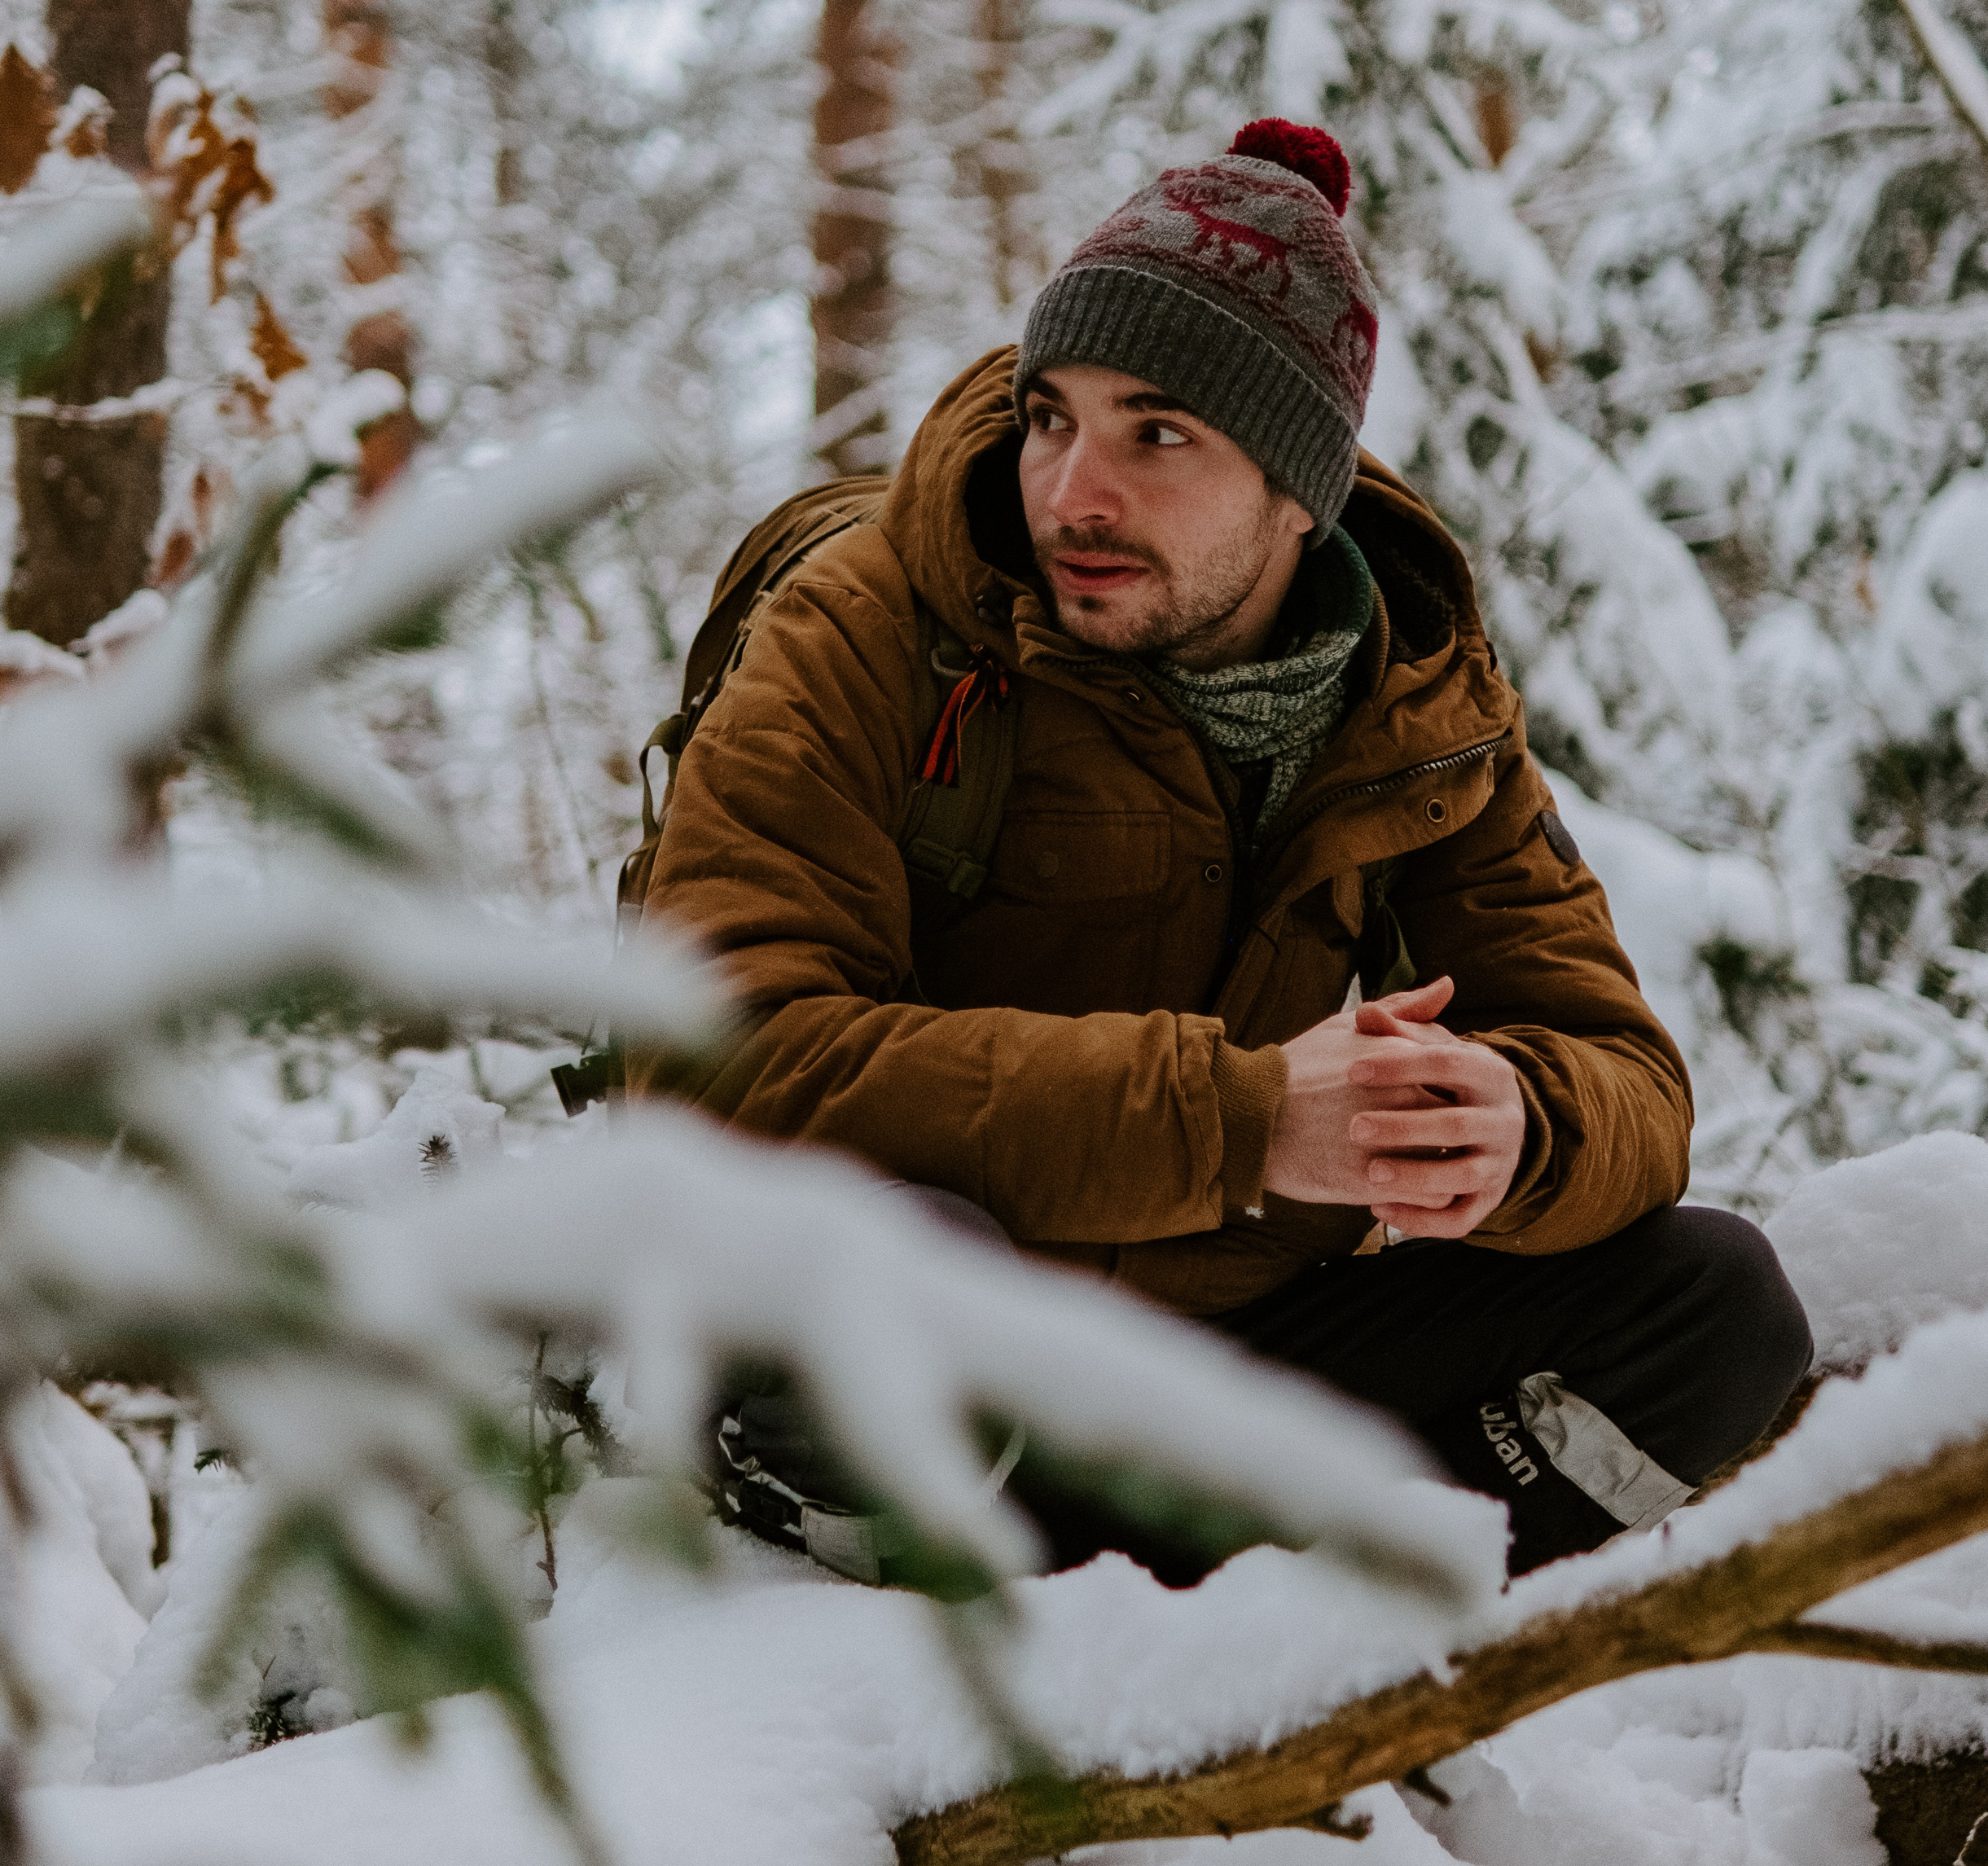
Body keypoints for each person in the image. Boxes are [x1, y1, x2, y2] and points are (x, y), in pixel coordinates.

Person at [634, 120, 1811, 1580]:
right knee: (893, 1260)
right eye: (1051, 416)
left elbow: (1624, 1076)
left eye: (1159, 432)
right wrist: (1248, 1118)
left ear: (1299, 486)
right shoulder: (864, 625)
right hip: (905, 1396)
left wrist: (1515, 1127)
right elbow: (712, 1063)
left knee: (1716, 1305)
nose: (1071, 491)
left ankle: (1313, 1656)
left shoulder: (1414, 704)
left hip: (1211, 1386)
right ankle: (894, 1639)